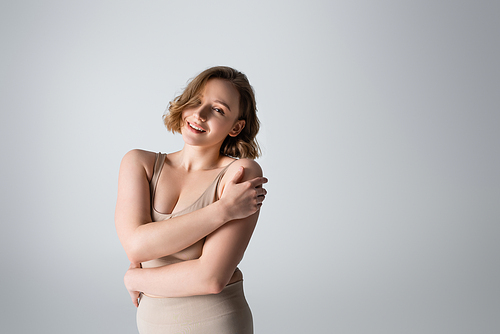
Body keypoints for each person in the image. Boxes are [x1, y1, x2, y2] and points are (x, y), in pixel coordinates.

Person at [115, 66, 267, 333]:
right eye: (196, 101)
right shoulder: (139, 163)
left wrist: (135, 278)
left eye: (218, 109)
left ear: (236, 127)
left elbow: (210, 278)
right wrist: (224, 209)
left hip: (216, 323)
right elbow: (136, 246)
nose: (199, 114)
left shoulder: (241, 173)